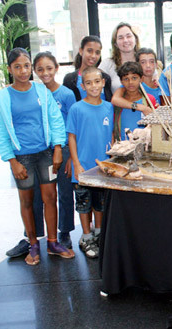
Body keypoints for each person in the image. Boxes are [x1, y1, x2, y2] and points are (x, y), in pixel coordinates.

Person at [0, 48, 75, 265]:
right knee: (27, 202)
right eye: (17, 66)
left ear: (31, 67)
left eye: (26, 66)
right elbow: (1, 132)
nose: (22, 71)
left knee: (51, 198)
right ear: (10, 69)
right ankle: (33, 245)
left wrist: (57, 148)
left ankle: (53, 242)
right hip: (22, 158)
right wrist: (12, 162)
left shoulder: (42, 92)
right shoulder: (2, 97)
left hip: (45, 154)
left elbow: (56, 120)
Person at [66, 67, 114, 258]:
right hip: (83, 167)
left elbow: (110, 134)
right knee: (84, 203)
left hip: (102, 167)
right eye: (88, 83)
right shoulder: (76, 108)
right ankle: (86, 237)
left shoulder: (109, 107)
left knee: (100, 203)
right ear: (82, 85)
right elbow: (71, 137)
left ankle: (99, 234)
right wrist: (76, 164)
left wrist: (111, 159)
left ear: (103, 82)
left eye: (97, 81)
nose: (93, 86)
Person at [33, 51, 76, 249]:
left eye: (49, 68)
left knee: (65, 192)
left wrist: (70, 157)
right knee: (39, 194)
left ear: (57, 68)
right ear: (35, 71)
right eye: (40, 69)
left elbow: (74, 125)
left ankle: (65, 231)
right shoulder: (34, 93)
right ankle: (34, 235)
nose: (45, 73)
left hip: (65, 149)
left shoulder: (66, 94)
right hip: (41, 151)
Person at [111, 61, 157, 141]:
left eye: (134, 78)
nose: (130, 82)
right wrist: (140, 107)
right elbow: (113, 127)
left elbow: (154, 126)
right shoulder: (119, 102)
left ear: (141, 79)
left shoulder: (149, 99)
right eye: (126, 79)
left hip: (143, 147)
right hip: (122, 146)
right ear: (121, 81)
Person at [63, 35, 113, 102]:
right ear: (81, 51)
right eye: (89, 51)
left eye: (97, 53)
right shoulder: (70, 79)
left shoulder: (105, 78)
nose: (93, 56)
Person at [99, 22, 140, 93]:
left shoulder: (144, 61)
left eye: (128, 36)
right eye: (120, 38)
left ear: (135, 39)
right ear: (115, 44)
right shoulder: (107, 64)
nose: (125, 40)